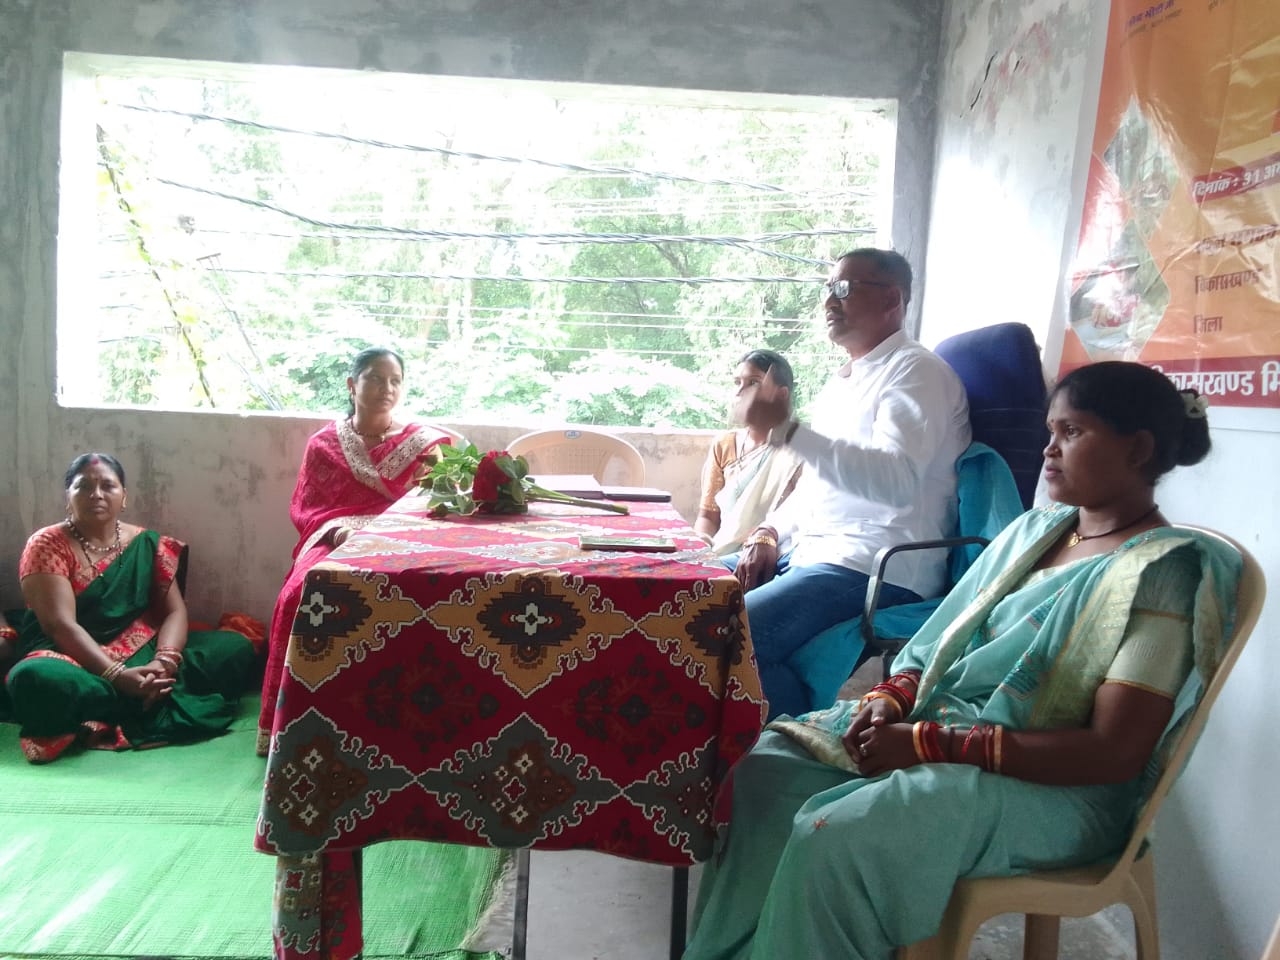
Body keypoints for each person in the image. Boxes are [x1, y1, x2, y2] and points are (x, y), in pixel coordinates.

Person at [683, 361, 1238, 960]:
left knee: (839, 835)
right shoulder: (1038, 531)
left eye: (1073, 432)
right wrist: (892, 698)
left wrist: (928, 745)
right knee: (765, 773)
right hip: (948, 729)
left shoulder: (1160, 575)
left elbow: (1113, 753)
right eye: (1051, 430)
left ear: (1139, 449)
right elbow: (944, 635)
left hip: (1058, 789)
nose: (1049, 449)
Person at [730, 248, 970, 719]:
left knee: (727, 631)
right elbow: (817, 485)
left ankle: (797, 736)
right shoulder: (843, 383)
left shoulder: (916, 372)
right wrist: (770, 531)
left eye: (844, 289)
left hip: (876, 563)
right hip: (813, 552)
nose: (829, 301)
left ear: (892, 300)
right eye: (828, 289)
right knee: (693, 593)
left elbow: (896, 482)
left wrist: (789, 431)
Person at [3, 453, 259, 763]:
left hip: (142, 650)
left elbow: (174, 612)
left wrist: (165, 662)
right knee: (33, 678)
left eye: (107, 485)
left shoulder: (145, 543)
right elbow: (60, 625)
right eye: (84, 486)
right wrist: (118, 675)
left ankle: (127, 697)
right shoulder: (47, 544)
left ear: (124, 497)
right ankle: (142, 697)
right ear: (67, 497)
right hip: (69, 654)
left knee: (235, 647)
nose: (96, 494)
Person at [257, 347, 451, 754]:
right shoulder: (324, 444)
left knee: (427, 589)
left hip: (403, 537)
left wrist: (397, 531)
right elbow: (309, 508)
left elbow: (435, 505)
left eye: (395, 380)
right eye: (375, 378)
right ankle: (294, 719)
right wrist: (341, 531)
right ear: (352, 384)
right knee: (300, 592)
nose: (386, 388)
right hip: (336, 535)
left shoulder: (423, 443)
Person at [695, 349, 803, 557]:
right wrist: (702, 542)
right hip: (721, 553)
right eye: (737, 382)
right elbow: (708, 516)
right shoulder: (724, 444)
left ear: (781, 395)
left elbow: (800, 521)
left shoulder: (797, 451)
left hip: (773, 557)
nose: (740, 392)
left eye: (753, 383)